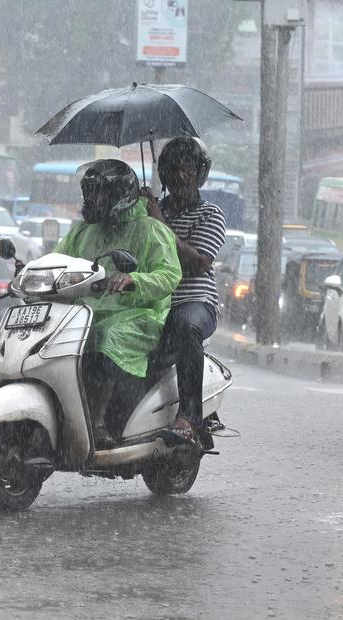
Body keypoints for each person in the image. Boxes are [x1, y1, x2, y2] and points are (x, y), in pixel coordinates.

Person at [53, 159, 182, 446]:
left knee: (106, 337)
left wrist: (134, 280)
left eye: (101, 193)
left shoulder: (151, 230)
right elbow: (58, 259)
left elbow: (170, 274)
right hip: (87, 311)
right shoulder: (81, 231)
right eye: (91, 192)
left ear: (121, 195)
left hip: (139, 314)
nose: (94, 199)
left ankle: (97, 423)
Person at [148, 137, 227, 444]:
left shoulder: (210, 214)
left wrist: (159, 222)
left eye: (188, 167)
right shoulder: (151, 210)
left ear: (200, 173)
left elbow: (197, 263)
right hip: (152, 299)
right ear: (164, 174)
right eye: (173, 168)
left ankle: (190, 417)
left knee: (185, 325)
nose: (181, 175)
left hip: (195, 301)